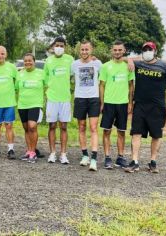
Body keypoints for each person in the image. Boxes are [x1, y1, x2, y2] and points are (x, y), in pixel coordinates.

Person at [124, 41, 166, 173]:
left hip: (157, 106)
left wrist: (160, 88)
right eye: (145, 49)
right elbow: (121, 58)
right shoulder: (139, 63)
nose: (147, 51)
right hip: (140, 104)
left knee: (156, 135)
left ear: (155, 51)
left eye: (150, 49)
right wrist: (129, 59)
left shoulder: (164, 66)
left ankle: (153, 162)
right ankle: (134, 161)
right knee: (136, 133)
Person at [99, 41, 135, 170]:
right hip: (109, 103)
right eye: (115, 50)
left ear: (124, 51)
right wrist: (102, 103)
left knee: (121, 131)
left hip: (123, 103)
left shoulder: (128, 66)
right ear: (111, 51)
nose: (117, 52)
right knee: (107, 130)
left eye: (120, 50)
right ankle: (107, 158)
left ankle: (120, 157)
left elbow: (131, 85)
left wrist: (130, 102)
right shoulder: (105, 66)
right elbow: (101, 85)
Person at [71, 41, 102, 171]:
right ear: (80, 51)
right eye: (82, 49)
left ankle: (94, 159)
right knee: (81, 127)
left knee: (94, 127)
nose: (84, 52)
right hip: (80, 98)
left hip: (94, 98)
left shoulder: (97, 64)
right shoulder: (74, 65)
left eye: (87, 49)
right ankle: (85, 155)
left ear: (91, 50)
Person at [44, 36, 74, 164]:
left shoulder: (70, 59)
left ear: (65, 47)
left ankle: (63, 154)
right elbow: (45, 78)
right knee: (52, 126)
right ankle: (52, 153)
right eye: (57, 45)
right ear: (53, 47)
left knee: (63, 126)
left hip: (65, 98)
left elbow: (76, 71)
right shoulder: (48, 61)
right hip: (52, 98)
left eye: (62, 46)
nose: (59, 48)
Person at [16, 53, 45, 163]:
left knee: (32, 126)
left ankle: (33, 152)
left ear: (34, 61)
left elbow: (48, 84)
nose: (28, 62)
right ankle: (28, 151)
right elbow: (16, 88)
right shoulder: (20, 74)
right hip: (22, 104)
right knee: (26, 128)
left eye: (30, 60)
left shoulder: (41, 73)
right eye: (26, 61)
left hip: (35, 104)